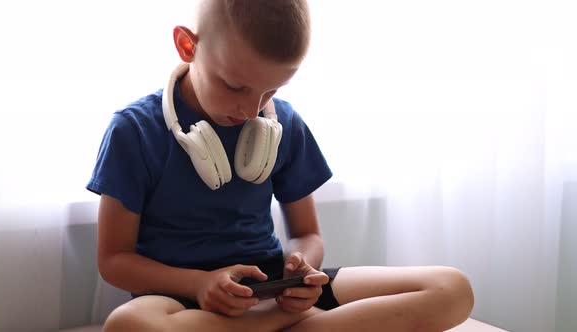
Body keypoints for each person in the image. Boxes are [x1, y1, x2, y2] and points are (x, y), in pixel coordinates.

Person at [87, 0, 474, 331]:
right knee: (128, 324)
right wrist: (201, 283)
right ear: (188, 45)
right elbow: (115, 261)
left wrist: (301, 266)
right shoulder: (133, 130)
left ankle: (272, 322)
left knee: (452, 288)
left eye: (271, 90)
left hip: (273, 290)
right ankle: (281, 325)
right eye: (235, 87)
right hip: (186, 302)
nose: (250, 110)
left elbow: (309, 235)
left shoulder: (282, 123)